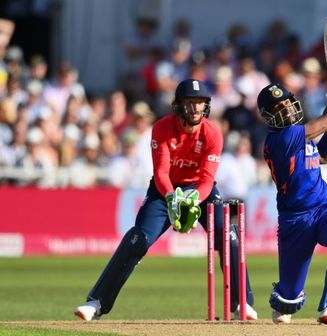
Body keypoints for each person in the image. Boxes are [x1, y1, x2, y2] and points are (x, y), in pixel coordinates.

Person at [74, 79, 257, 321]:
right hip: (165, 191)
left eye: (200, 103)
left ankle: (241, 303)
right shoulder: (161, 128)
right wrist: (172, 197)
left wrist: (192, 199)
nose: (195, 109)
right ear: (178, 106)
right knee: (138, 238)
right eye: (189, 103)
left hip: (200, 190)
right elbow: (161, 172)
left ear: (207, 106)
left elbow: (207, 178)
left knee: (227, 235)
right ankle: (97, 302)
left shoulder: (213, 133)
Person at [257, 77, 327, 325]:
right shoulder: (282, 138)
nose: (286, 110)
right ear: (268, 117)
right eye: (278, 109)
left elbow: (325, 154)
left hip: (324, 208)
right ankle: (284, 296)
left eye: (287, 103)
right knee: (288, 301)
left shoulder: (300, 135)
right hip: (295, 220)